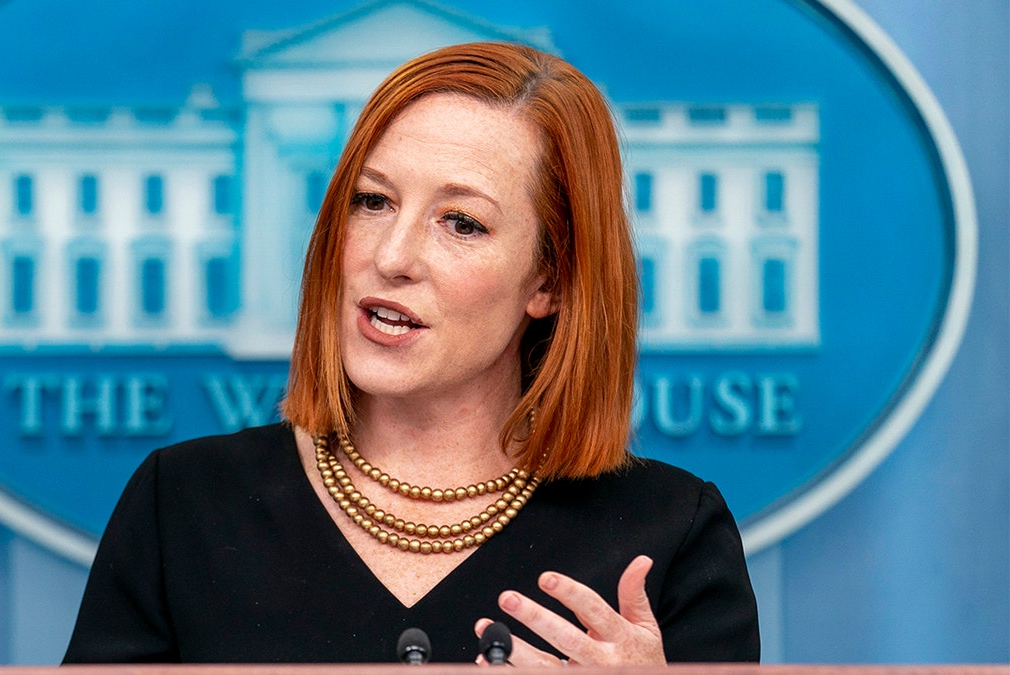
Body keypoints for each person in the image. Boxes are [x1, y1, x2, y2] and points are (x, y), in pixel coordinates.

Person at [63, 41, 759, 666]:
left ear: (550, 279)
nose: (391, 257)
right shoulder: (180, 502)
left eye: (462, 222)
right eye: (372, 201)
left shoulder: (673, 533)